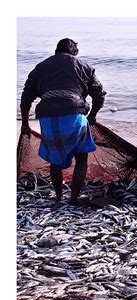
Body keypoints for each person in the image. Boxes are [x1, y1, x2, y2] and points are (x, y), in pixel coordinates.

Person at [20, 38, 106, 205]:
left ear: (56, 51)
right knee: (81, 159)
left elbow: (26, 97)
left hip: (48, 118)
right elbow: (99, 95)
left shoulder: (40, 67)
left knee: (55, 160)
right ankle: (73, 199)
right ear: (74, 52)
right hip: (74, 116)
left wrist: (25, 123)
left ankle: (59, 197)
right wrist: (93, 115)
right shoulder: (85, 66)